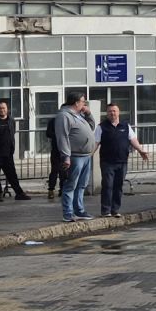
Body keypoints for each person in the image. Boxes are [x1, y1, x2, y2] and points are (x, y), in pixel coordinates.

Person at [94, 102, 149, 219]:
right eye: (109, 111)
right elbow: (95, 143)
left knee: (118, 186)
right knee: (108, 185)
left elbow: (133, 140)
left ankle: (115, 210)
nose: (112, 113)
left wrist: (141, 150)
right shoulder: (101, 127)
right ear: (107, 113)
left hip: (122, 161)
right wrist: (88, 155)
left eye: (114, 111)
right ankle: (106, 210)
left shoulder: (125, 126)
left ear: (118, 112)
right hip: (107, 162)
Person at [52, 92, 97, 222]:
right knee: (71, 184)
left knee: (81, 185)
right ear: (76, 102)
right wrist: (66, 156)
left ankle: (79, 210)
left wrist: (88, 113)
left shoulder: (78, 115)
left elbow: (92, 126)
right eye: (83, 102)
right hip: (75, 156)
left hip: (86, 155)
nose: (84, 104)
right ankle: (68, 212)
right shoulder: (64, 116)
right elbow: (63, 137)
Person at [0, 99, 30, 201]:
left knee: (12, 174)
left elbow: (13, 132)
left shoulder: (11, 120)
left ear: (7, 109)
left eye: (3, 108)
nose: (2, 110)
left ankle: (19, 193)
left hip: (8, 153)